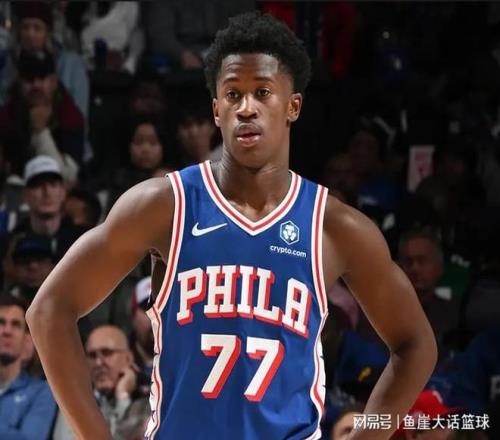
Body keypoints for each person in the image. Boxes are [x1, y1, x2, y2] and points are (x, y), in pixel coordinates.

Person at [27, 12, 437, 440]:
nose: (246, 108)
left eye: (263, 92)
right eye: (233, 94)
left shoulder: (334, 226)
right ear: (216, 110)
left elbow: (416, 345)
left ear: (293, 106)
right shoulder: (164, 206)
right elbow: (49, 310)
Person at [52, 325, 150, 440]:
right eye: (92, 356)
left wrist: (122, 398)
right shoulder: (75, 400)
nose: (98, 363)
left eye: (107, 353)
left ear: (128, 358)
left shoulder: (148, 399)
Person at [0, 294, 57, 439]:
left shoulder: (42, 392)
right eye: (1, 322)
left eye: (16, 325)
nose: (7, 331)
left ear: (27, 340)